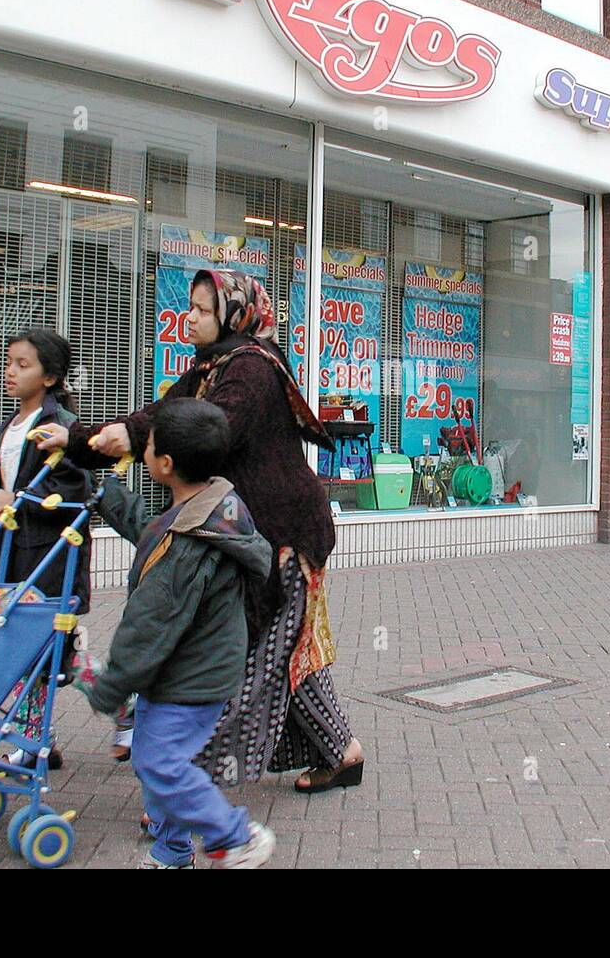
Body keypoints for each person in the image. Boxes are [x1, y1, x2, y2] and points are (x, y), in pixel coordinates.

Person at [39, 270, 366, 793]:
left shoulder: (252, 370)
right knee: (283, 647)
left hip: (281, 535)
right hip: (249, 531)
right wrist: (81, 439)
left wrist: (133, 435)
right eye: (189, 307)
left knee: (252, 655)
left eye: (201, 309)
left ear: (234, 315)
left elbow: (205, 428)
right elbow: (159, 415)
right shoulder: (212, 365)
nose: (188, 317)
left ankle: (192, 787)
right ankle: (342, 752)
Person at [87, 400, 276, 869]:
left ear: (165, 464)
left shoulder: (189, 543)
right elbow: (152, 530)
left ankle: (236, 836)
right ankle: (172, 852)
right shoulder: (210, 506)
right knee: (160, 763)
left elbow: (149, 626)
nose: (142, 450)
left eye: (147, 445)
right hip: (185, 669)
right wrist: (106, 491)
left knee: (158, 763)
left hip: (192, 675)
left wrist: (110, 687)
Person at [0, 328, 93, 766]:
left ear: (50, 377)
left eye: (23, 364)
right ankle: (117, 704)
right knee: (52, 656)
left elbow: (75, 494)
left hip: (51, 558)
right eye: (8, 363)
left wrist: (14, 500)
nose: (10, 372)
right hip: (11, 556)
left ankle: (33, 740)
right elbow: (4, 496)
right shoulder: (9, 427)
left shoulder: (64, 429)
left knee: (32, 650)